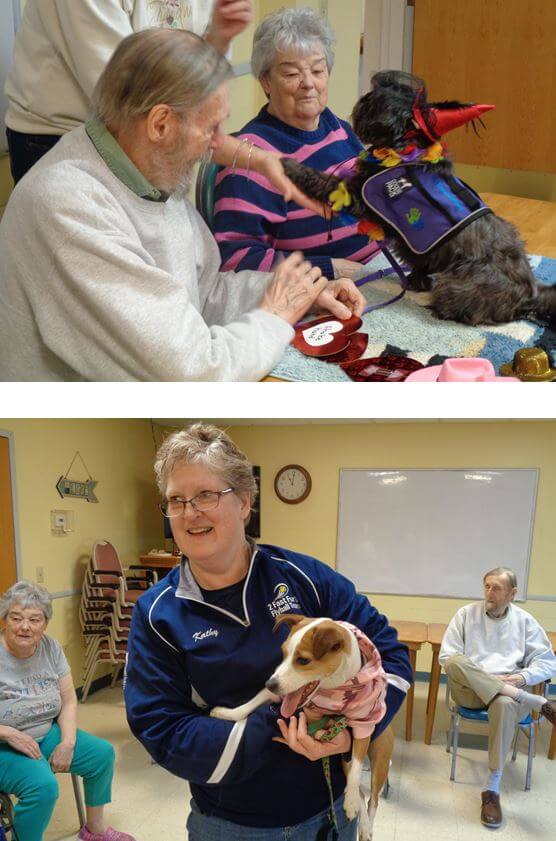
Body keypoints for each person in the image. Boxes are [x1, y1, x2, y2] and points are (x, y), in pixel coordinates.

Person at [0, 28, 365, 382]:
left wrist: (297, 296)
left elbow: (203, 295)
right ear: (161, 124)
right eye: (210, 129)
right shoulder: (68, 206)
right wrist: (276, 314)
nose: (216, 146)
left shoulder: (151, 173)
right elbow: (193, 371)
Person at [124, 423, 412, 840]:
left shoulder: (305, 578)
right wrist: (283, 721)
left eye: (206, 495)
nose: (190, 513)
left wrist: (348, 736)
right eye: (176, 500)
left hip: (328, 812)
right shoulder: (156, 613)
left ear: (245, 501)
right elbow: (162, 730)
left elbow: (391, 656)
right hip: (230, 823)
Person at [5, 0, 254, 183]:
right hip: (63, 136)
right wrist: (251, 158)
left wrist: (218, 39)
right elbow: (126, 96)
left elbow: (200, 73)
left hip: (151, 134)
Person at [213, 6, 379, 278]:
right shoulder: (251, 156)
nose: (308, 83)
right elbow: (235, 258)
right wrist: (328, 269)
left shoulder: (337, 127)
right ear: (266, 81)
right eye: (291, 74)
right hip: (324, 288)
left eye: (318, 70)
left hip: (380, 265)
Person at [0, 581, 133, 841]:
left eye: (34, 619)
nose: (25, 626)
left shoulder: (51, 648)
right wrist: (8, 733)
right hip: (5, 745)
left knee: (102, 754)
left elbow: (69, 699)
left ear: (45, 624)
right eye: (16, 618)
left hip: (46, 733)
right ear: (5, 620)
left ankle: (94, 829)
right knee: (44, 787)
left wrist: (68, 742)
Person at [439, 567, 556, 830]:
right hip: (470, 691)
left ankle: (491, 789)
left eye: (497, 588)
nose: (489, 593)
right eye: (486, 586)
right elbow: (447, 658)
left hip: (506, 690)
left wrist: (522, 678)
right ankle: (533, 701)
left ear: (513, 594)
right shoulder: (466, 615)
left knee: (504, 703)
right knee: (456, 661)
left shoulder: (525, 621)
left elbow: (549, 663)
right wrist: (496, 681)